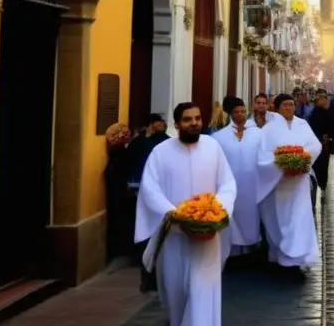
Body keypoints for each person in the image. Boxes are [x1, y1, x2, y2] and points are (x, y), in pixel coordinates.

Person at [136, 103, 237, 324]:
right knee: (176, 292)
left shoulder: (213, 147)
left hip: (208, 235)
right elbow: (150, 189)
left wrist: (213, 211)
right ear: (177, 124)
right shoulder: (161, 152)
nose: (194, 124)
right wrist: (177, 214)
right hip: (175, 235)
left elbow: (228, 184)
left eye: (198, 119)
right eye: (188, 120)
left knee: (203, 291)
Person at [257, 93, 323, 277]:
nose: (289, 108)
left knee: (299, 219)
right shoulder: (269, 130)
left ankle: (297, 259)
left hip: (299, 182)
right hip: (278, 182)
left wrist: (301, 159)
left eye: (291, 105)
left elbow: (315, 146)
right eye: (285, 105)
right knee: (279, 220)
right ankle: (281, 257)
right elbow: (263, 155)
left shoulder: (303, 124)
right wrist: (282, 165)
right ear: (277, 108)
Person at [212, 98, 263, 262]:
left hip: (252, 184)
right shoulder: (219, 137)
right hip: (230, 184)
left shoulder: (258, 133)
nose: (240, 114)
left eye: (243, 111)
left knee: (251, 217)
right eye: (236, 112)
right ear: (231, 114)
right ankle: (232, 252)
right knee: (232, 215)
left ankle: (250, 249)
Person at [308, 90, 334, 203]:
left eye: (321, 99)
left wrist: (330, 137)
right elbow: (313, 125)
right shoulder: (315, 112)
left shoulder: (330, 111)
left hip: (325, 144)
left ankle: (323, 187)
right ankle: (317, 185)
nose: (320, 102)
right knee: (317, 166)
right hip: (317, 142)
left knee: (324, 167)